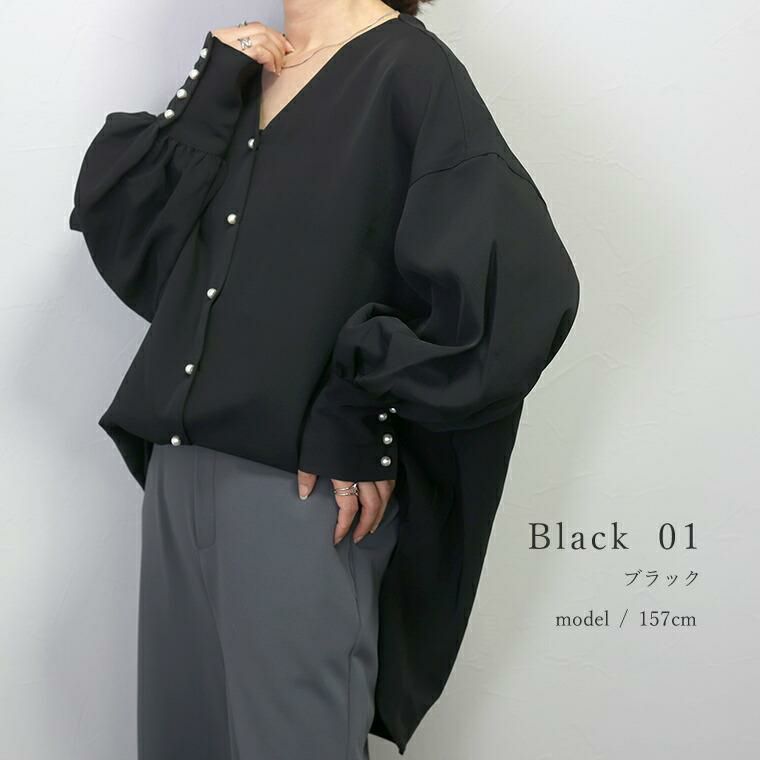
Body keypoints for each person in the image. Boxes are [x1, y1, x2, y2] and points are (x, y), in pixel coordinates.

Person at [68, 0, 580, 757]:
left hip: (301, 498)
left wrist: (363, 407)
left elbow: (519, 292)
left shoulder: (411, 73)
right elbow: (139, 242)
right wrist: (210, 89)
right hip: (177, 479)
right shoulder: (243, 74)